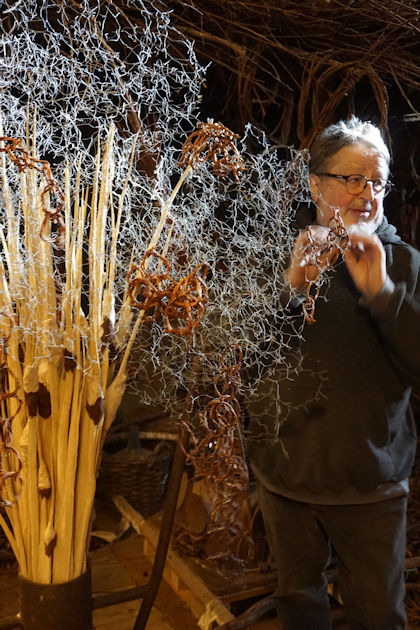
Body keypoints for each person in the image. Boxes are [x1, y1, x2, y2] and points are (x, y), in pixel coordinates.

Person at [246, 116, 420, 629]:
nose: (368, 193)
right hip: (285, 478)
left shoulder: (404, 264)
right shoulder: (277, 256)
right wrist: (292, 289)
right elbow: (243, 360)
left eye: (378, 181)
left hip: (370, 486)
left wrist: (383, 294)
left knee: (377, 614)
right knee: (299, 603)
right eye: (353, 179)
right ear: (316, 184)